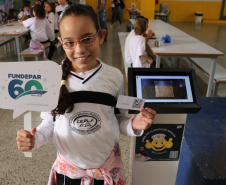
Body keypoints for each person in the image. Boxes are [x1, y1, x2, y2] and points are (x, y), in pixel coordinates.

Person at [16, 4, 156, 185]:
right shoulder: (51, 78)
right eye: (70, 42)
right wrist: (34, 139)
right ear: (61, 42)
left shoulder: (114, 77)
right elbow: (49, 124)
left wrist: (133, 124)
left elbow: (117, 118)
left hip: (107, 169)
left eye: (87, 39)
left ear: (101, 36)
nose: (79, 50)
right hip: (70, 173)